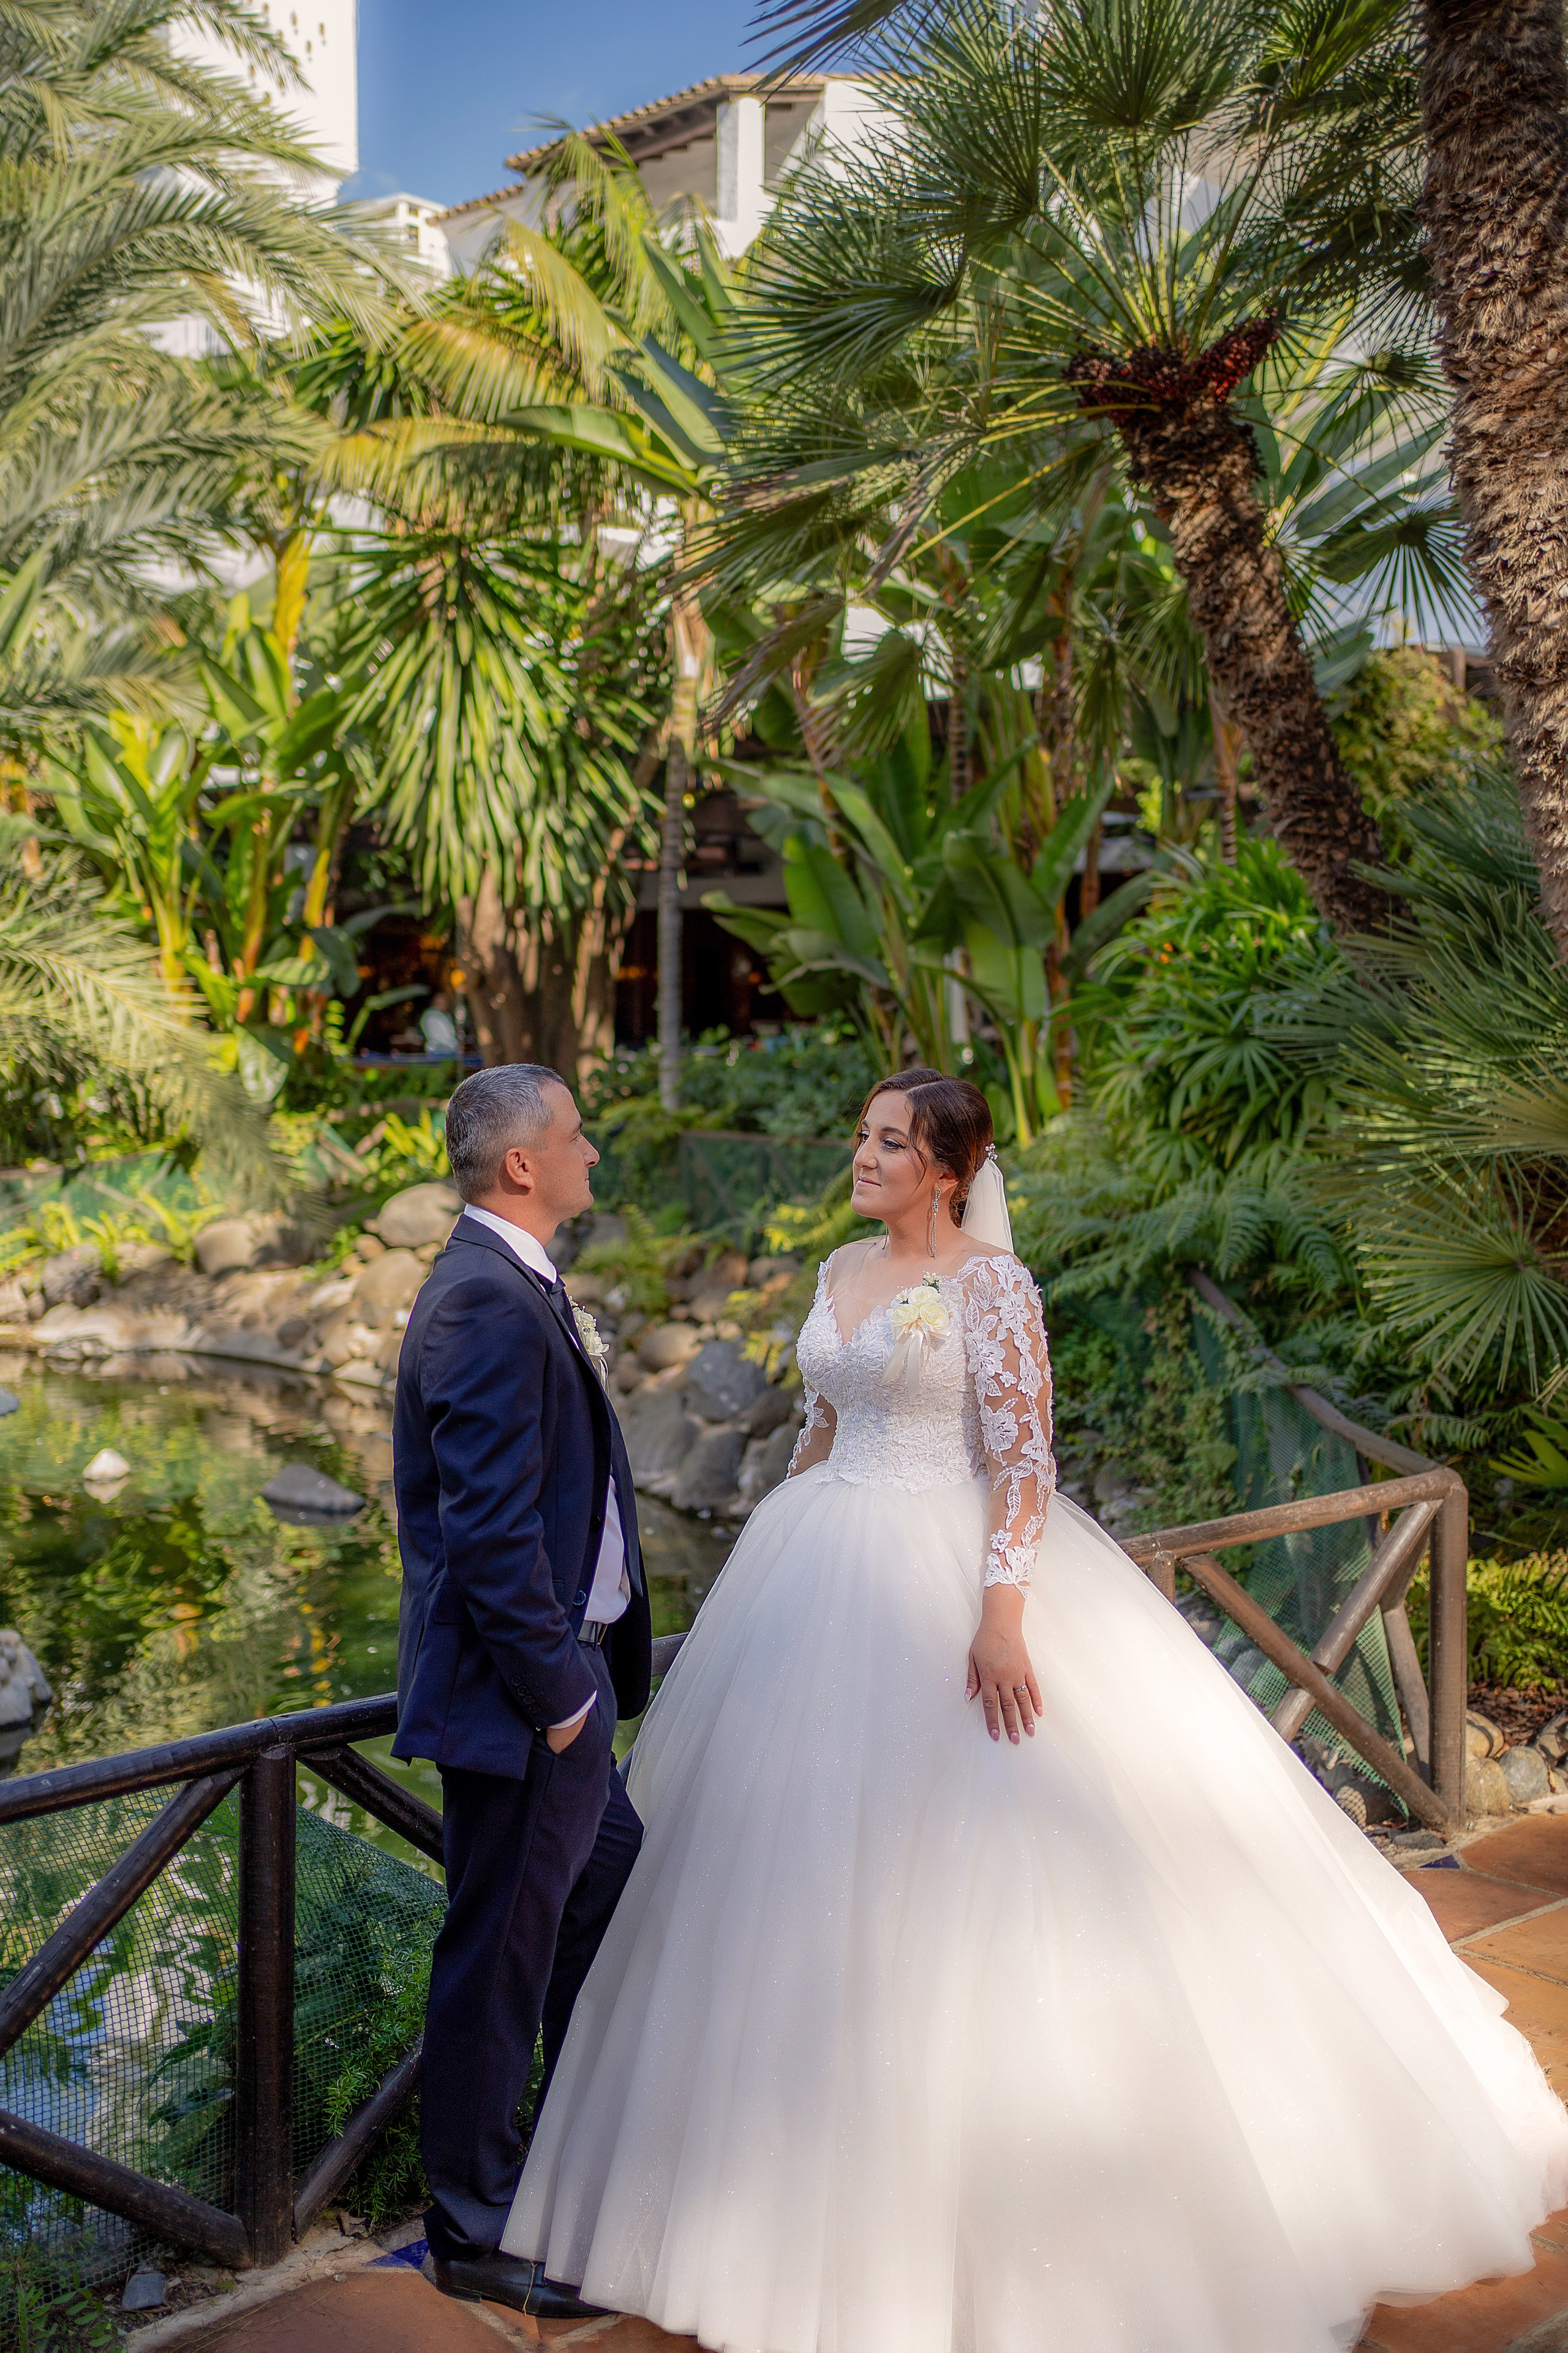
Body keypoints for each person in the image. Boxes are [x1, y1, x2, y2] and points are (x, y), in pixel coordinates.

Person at [503, 1067, 1568, 2353]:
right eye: (861, 1131)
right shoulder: (841, 1268)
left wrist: (1001, 1611)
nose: (864, 1154)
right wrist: (757, 1559)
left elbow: (1021, 1457)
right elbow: (817, 1428)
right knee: (769, 1877)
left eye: (888, 1141)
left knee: (993, 1882)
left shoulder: (990, 1288)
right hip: (812, 1572)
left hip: (950, 1575)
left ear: (947, 1170)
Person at [392, 1062, 651, 2319]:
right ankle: (473, 2225)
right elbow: (490, 1535)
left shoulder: (510, 1282)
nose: (590, 1153)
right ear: (520, 1167)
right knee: (493, 1953)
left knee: (606, 1875)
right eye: (574, 1138)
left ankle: (555, 2148)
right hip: (524, 1699)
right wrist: (561, 1697)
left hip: (562, 1688)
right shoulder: (484, 1301)